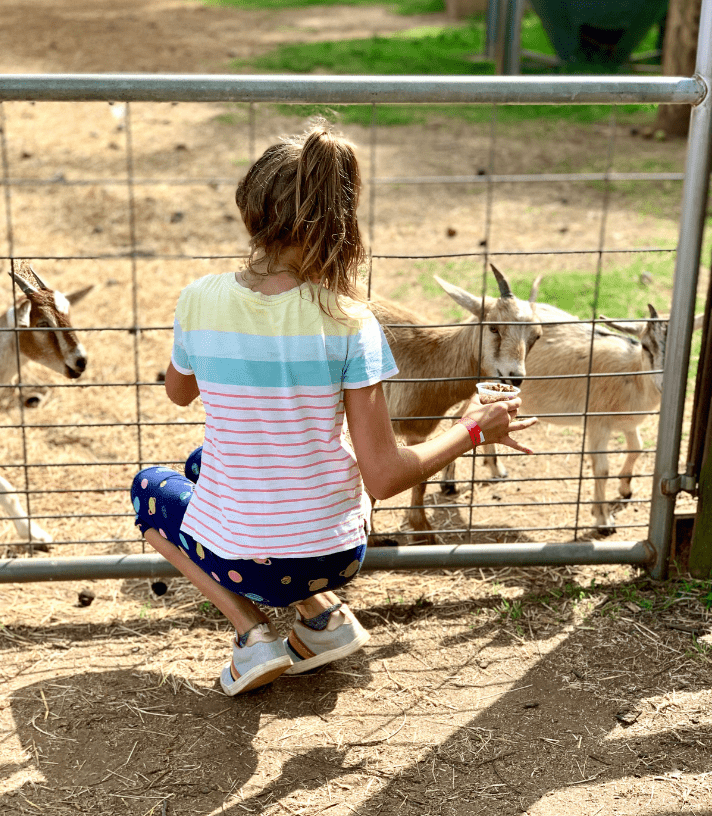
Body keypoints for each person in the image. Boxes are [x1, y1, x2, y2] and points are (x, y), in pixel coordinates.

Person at [130, 121, 537, 697]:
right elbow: (385, 475)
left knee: (150, 488)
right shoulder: (352, 320)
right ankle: (323, 617)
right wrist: (475, 429)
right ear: (334, 225)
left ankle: (253, 633)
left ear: (250, 209)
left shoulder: (200, 299)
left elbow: (178, 392)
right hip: (338, 555)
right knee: (202, 463)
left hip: (250, 562)